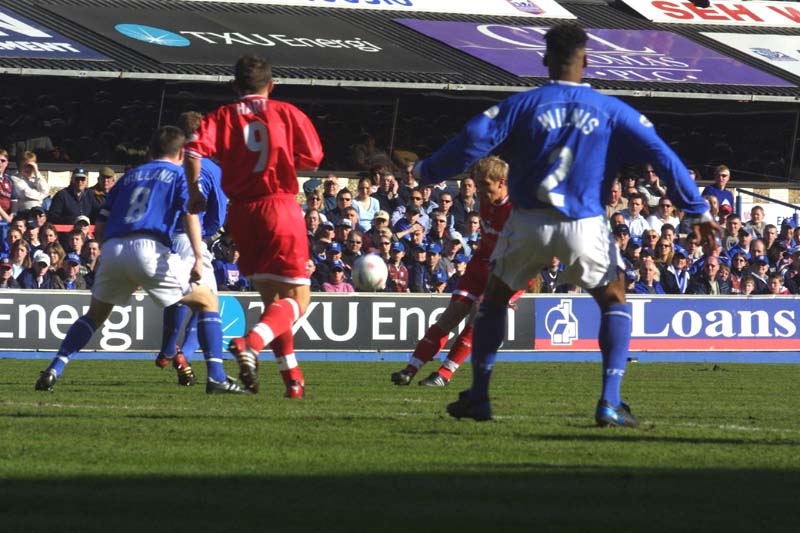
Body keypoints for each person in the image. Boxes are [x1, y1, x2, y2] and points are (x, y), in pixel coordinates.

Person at [412, 23, 718, 426]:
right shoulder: (612, 111)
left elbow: (472, 138)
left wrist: (427, 171)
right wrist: (697, 209)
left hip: (527, 221)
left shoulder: (522, 105)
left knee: (494, 299)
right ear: (586, 60)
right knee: (613, 300)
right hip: (585, 224)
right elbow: (661, 154)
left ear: (544, 60)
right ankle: (609, 400)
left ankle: (480, 396)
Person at [35, 126, 245, 394]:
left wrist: (103, 248)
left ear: (151, 151)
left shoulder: (129, 176)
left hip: (113, 248)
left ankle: (55, 367)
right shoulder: (180, 175)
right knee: (207, 301)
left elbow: (101, 221)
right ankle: (216, 376)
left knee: (95, 315)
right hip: (149, 247)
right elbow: (190, 215)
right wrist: (196, 254)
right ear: (181, 152)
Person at [184, 55, 324, 397]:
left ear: (235, 87)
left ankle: (293, 380)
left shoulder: (222, 116)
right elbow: (313, 158)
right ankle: (251, 343)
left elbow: (191, 150)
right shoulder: (286, 112)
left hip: (243, 214)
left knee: (274, 302)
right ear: (271, 85)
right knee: (298, 301)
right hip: (279, 206)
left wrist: (194, 194)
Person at [391, 156, 513, 388]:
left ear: (502, 182)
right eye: (478, 185)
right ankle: (410, 369)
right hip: (479, 266)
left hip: (506, 271)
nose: (480, 191)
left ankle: (444, 373)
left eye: (485, 185)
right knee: (451, 314)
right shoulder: (486, 201)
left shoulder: (517, 209)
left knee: (479, 313)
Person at [155, 111, 230, 388]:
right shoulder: (210, 168)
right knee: (208, 303)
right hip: (189, 239)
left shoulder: (164, 165)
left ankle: (166, 349)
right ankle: (184, 354)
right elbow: (217, 215)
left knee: (176, 297)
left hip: (160, 239)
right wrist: (204, 238)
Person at [0, 148, 18, 223]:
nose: (0, 163)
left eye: (3, 161)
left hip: (8, 218)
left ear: (7, 163)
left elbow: (14, 200)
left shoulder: (9, 180)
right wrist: (6, 217)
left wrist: (12, 215)